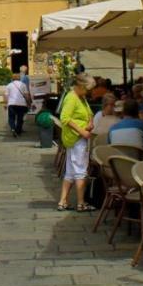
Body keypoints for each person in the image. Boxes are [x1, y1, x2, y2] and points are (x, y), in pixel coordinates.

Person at [57, 73, 96, 211]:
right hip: (76, 138)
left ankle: (63, 201)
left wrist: (90, 122)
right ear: (80, 86)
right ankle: (81, 203)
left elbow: (89, 113)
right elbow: (65, 118)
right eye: (88, 89)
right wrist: (82, 131)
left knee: (70, 171)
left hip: (77, 138)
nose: (89, 92)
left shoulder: (81, 97)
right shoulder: (72, 98)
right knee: (80, 170)